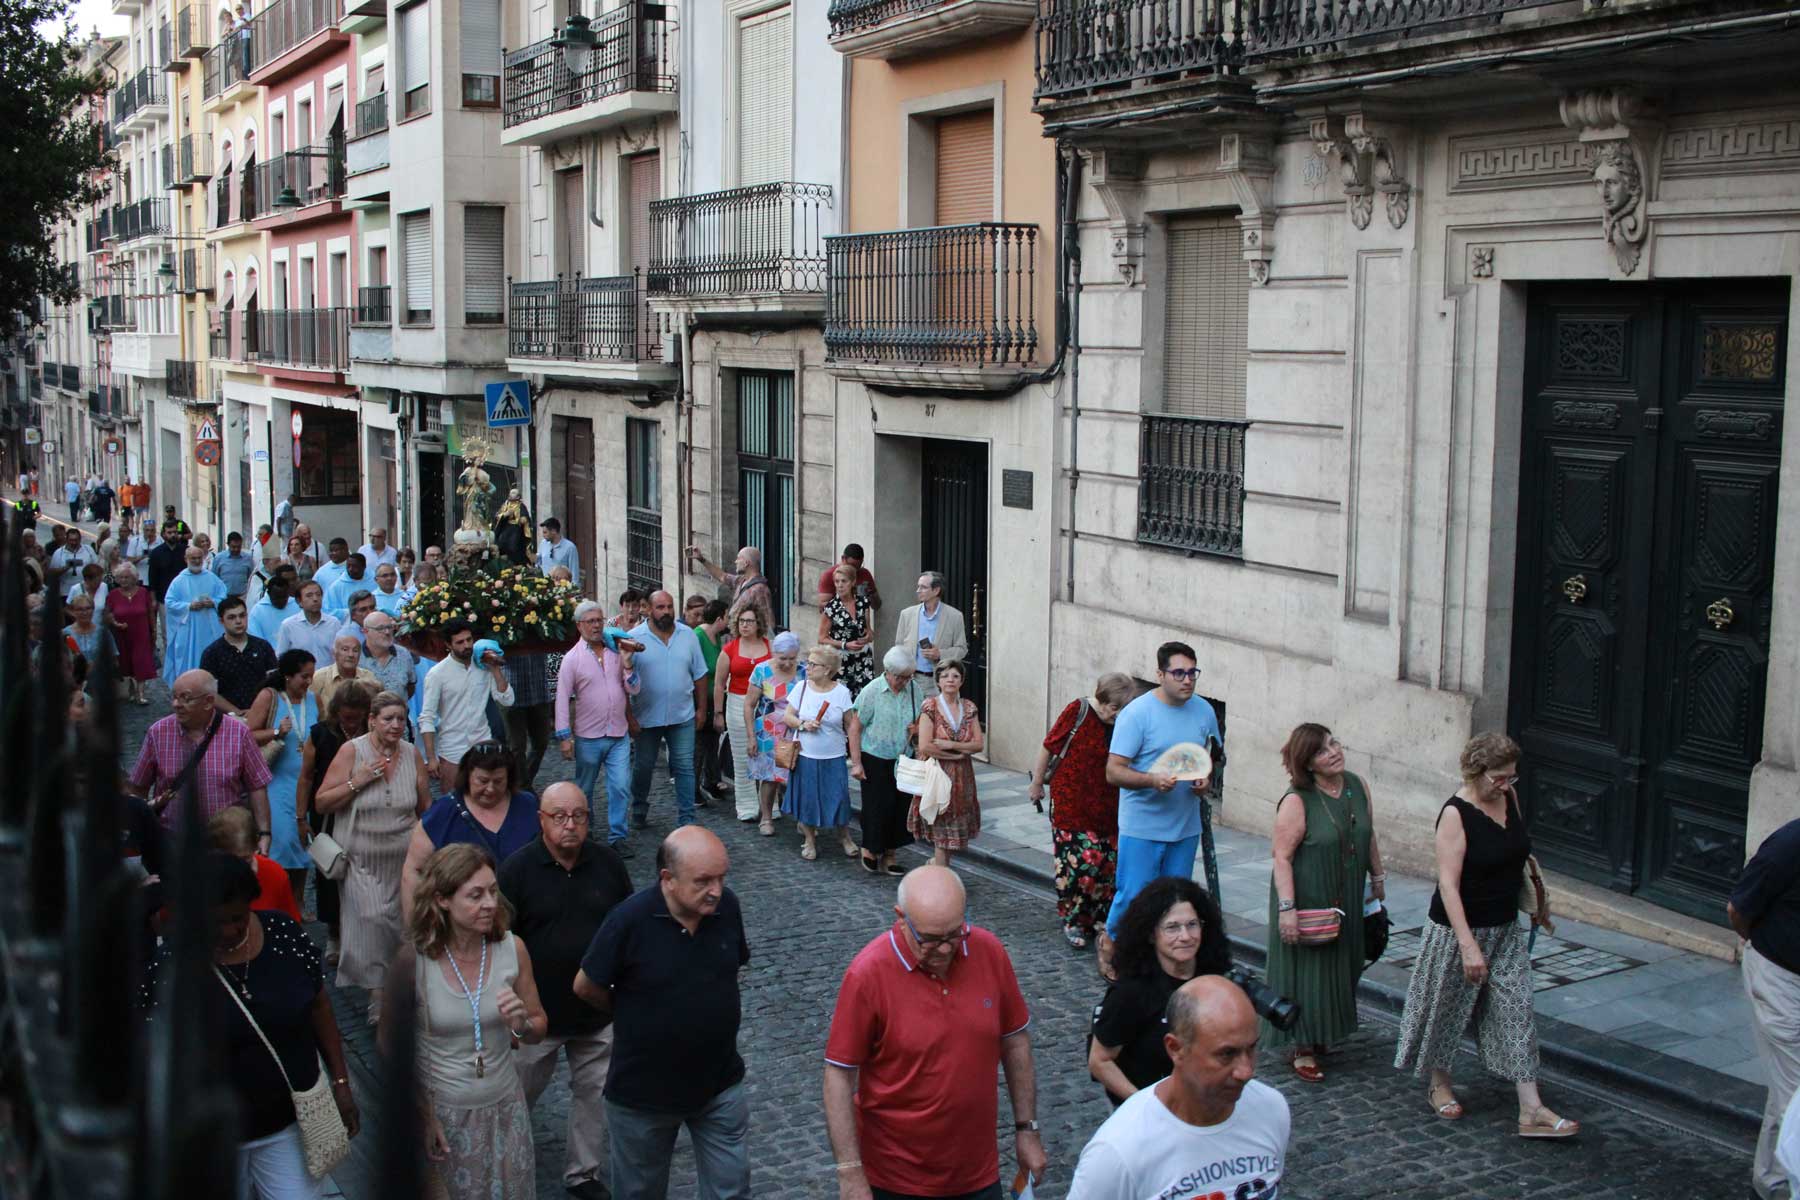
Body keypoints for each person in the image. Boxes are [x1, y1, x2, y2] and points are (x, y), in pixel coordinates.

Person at [137, 854, 359, 1200]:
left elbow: (319, 1004)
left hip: (289, 1121)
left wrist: (341, 1082)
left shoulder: (283, 934)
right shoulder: (173, 966)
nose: (229, 931)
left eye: (238, 918)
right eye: (216, 922)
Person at [1393, 732, 1577, 1138]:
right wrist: (1468, 946)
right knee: (1446, 1011)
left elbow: (1518, 852)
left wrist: (1535, 901)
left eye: (1512, 777)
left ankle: (1531, 1109)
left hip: (1505, 928)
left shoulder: (1509, 798)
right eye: (1499, 777)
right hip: (1457, 931)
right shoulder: (1455, 814)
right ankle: (1439, 1084)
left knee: (1517, 1010)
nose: (1506, 785)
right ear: (1475, 772)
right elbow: (1448, 885)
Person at [824, 864, 1045, 1200]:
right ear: (901, 918)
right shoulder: (867, 974)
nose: (944, 949)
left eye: (954, 934)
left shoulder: (989, 952)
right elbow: (839, 1076)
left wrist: (1027, 1129)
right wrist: (850, 1172)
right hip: (894, 1181)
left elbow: (1014, 1042)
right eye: (929, 939)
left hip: (977, 1176)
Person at [574, 827, 751, 1200]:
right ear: (667, 879)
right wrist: (634, 1013)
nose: (716, 890)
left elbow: (731, 968)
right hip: (643, 1096)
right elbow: (586, 985)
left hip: (719, 1086)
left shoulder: (727, 908)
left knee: (731, 1190)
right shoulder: (628, 921)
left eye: (721, 878)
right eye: (703, 881)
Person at [383, 844, 547, 1200]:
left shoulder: (512, 949)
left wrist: (521, 1024)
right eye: (475, 895)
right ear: (442, 900)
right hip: (445, 1117)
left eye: (493, 891)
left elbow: (537, 1027)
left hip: (506, 1109)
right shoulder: (414, 962)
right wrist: (424, 1117)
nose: (489, 903)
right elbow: (390, 1047)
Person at [498, 782, 633, 1200]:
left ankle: (583, 1173)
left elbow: (627, 929)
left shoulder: (608, 864)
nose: (570, 825)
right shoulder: (517, 871)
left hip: (596, 1011)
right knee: (515, 1095)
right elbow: (499, 942)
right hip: (536, 1014)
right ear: (541, 820)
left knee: (593, 1094)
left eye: (579, 816)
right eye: (559, 817)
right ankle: (502, 1162)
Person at [1068, 977, 1289, 1200]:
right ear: (1175, 1049)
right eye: (1226, 1054)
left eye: (1251, 1049)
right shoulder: (1116, 1153)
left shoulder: (1271, 1109)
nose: (1246, 1071)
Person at [1264, 723, 1386, 1081]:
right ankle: (1303, 1046)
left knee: (1343, 963)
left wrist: (1377, 876)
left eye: (1334, 744)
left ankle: (1322, 1032)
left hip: (1348, 890)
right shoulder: (1296, 800)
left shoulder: (1357, 785)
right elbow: (1281, 857)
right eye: (1321, 750)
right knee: (1310, 970)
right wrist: (1288, 910)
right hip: (1308, 894)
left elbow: (1368, 834)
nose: (1334, 752)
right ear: (1307, 763)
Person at [1101, 641, 1221, 971]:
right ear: (1160, 674)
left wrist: (1205, 780)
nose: (1187, 680)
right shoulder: (1137, 714)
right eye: (1179, 673)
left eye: (1192, 673)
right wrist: (1152, 780)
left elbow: (1208, 758)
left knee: (1176, 900)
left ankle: (1162, 960)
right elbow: (1113, 771)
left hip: (1184, 825)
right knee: (1133, 895)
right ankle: (1111, 944)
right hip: (1142, 824)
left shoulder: (1204, 711)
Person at [315, 689, 431, 1026]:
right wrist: (358, 781)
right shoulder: (351, 751)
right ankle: (377, 995)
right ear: (372, 721)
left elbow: (425, 806)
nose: (395, 725)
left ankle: (400, 988)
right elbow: (322, 802)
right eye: (388, 719)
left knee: (404, 925)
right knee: (373, 921)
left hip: (405, 859)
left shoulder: (411, 754)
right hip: (360, 859)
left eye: (400, 719)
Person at [1088, 877, 1232, 1104]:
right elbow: (1100, 1061)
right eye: (1172, 927)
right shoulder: (1131, 993)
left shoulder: (1214, 979)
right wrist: (1148, 1105)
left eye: (1192, 925)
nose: (1185, 936)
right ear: (1151, 934)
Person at [1029, 673, 1135, 949]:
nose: (1118, 714)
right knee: (1083, 863)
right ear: (1102, 699)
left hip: (1109, 806)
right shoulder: (1078, 710)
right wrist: (1037, 783)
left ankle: (1098, 918)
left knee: (1108, 866)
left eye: (1123, 709)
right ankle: (1073, 919)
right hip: (1071, 803)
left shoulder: (1124, 723)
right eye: (1114, 708)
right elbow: (1049, 746)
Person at [1732, 817, 1800, 1199]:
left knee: (1788, 1089)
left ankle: (1772, 1182)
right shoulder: (1790, 845)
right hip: (1780, 980)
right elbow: (1738, 910)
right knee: (1798, 1097)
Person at [403, 742, 541, 917]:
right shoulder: (443, 813)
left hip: (525, 915)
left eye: (498, 781)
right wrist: (416, 923)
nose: (490, 789)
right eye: (482, 781)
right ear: (468, 776)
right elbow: (413, 870)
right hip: (462, 921)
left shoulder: (527, 805)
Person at [296, 683, 374, 971]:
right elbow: (306, 777)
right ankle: (334, 933)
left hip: (365, 812)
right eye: (346, 717)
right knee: (329, 872)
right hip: (328, 813)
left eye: (356, 718)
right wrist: (301, 817)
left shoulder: (372, 733)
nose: (351, 723)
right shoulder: (320, 734)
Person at [557, 600, 641, 855]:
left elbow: (634, 688)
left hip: (618, 733)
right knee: (585, 788)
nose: (596, 626)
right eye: (591, 621)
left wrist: (628, 664)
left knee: (621, 786)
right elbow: (562, 698)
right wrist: (564, 736)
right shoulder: (572, 659)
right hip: (588, 736)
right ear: (579, 625)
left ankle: (618, 836)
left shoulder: (616, 651)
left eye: (599, 620)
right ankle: (586, 831)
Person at [627, 591, 708, 832]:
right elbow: (624, 678)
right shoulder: (634, 638)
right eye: (660, 607)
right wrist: (629, 717)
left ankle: (687, 817)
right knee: (644, 766)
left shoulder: (688, 636)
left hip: (682, 714)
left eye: (670, 607)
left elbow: (700, 674)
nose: (666, 612)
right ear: (649, 610)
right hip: (647, 717)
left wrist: (702, 709)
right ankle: (639, 808)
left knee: (684, 766)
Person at [247, 649, 321, 905]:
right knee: (283, 841)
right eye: (304, 676)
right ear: (288, 676)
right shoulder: (270, 697)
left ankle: (297, 902)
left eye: (311, 676)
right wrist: (276, 732)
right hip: (277, 783)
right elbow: (247, 735)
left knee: (302, 845)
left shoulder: (314, 699)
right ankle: (279, 899)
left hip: (306, 784)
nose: (308, 682)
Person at [782, 644, 862, 863]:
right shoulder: (801, 688)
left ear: (827, 669)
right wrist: (802, 724)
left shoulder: (841, 692)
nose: (807, 667)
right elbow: (787, 716)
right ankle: (809, 840)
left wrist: (856, 759)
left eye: (812, 664)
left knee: (839, 798)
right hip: (806, 756)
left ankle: (844, 836)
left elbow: (850, 725)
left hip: (834, 755)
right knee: (808, 799)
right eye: (807, 663)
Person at [850, 647, 923, 875]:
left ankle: (890, 854)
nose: (904, 682)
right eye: (900, 677)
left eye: (908, 677)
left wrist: (918, 729)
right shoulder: (872, 691)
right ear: (888, 672)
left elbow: (921, 720)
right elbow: (855, 728)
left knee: (900, 808)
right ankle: (870, 849)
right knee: (876, 807)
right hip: (875, 757)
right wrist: (856, 762)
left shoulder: (915, 690)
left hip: (904, 758)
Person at [419, 620, 515, 791]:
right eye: (460, 642)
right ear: (448, 645)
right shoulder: (437, 674)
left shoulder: (483, 665)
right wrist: (431, 758)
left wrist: (495, 669)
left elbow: (507, 700)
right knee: (454, 798)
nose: (467, 645)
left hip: (483, 742)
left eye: (469, 640)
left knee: (488, 794)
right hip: (452, 749)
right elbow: (427, 717)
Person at [907, 659, 983, 866]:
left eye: (955, 676)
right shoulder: (930, 706)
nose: (950, 680)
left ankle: (937, 865)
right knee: (941, 829)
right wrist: (956, 755)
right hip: (937, 775)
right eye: (945, 676)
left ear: (962, 681)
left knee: (952, 830)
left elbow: (978, 744)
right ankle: (941, 873)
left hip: (962, 778)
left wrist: (950, 745)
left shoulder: (969, 707)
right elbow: (925, 746)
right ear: (938, 681)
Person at [714, 606, 770, 824]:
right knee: (742, 756)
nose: (745, 625)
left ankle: (769, 805)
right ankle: (747, 806)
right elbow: (719, 685)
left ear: (759, 624)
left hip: (766, 705)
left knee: (767, 755)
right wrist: (718, 713)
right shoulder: (729, 650)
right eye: (741, 621)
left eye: (750, 621)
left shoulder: (770, 647)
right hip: (737, 704)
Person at [745, 630, 804, 837]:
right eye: (782, 658)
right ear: (774, 653)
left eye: (792, 659)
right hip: (768, 731)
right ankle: (766, 817)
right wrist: (751, 737)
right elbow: (749, 704)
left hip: (795, 731)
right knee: (769, 777)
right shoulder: (762, 671)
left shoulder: (804, 671)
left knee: (797, 776)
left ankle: (802, 819)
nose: (787, 663)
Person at [209, 805, 303, 924]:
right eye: (232, 860)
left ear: (255, 847)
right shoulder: (203, 882)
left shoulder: (275, 874)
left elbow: (292, 925)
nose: (240, 868)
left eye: (246, 860)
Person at [201, 594, 280, 715]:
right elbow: (209, 692)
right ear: (221, 621)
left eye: (242, 616)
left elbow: (275, 684)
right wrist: (237, 712)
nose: (238, 621)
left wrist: (258, 710)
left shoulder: (263, 647)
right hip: (227, 718)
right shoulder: (212, 653)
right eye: (231, 617)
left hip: (263, 713)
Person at [162, 544, 228, 687]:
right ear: (186, 559)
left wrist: (214, 602)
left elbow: (223, 596)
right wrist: (188, 606)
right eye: (193, 558)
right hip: (188, 630)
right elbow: (169, 603)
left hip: (209, 628)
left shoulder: (212, 578)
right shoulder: (179, 581)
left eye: (199, 558)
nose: (197, 561)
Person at [893, 571, 967, 695]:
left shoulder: (955, 616)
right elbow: (899, 647)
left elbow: (962, 649)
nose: (918, 590)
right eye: (918, 586)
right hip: (912, 681)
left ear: (936, 590)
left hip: (941, 683)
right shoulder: (907, 614)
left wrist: (940, 654)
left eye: (923, 587)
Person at [691, 599, 731, 802]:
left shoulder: (717, 637)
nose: (729, 620)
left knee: (713, 741)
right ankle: (692, 788)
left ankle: (711, 781)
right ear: (719, 619)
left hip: (715, 698)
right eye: (727, 616)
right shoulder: (697, 636)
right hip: (699, 699)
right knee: (699, 745)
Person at [685, 543, 773, 634]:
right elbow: (722, 576)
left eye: (738, 558)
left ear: (746, 563)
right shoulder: (741, 580)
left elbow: (768, 620)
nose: (735, 561)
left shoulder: (760, 589)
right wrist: (701, 559)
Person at [818, 563, 875, 696]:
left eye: (844, 581)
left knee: (865, 697)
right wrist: (845, 644)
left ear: (853, 582)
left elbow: (869, 631)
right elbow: (821, 638)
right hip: (841, 661)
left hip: (863, 659)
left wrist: (868, 637)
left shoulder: (863, 602)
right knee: (843, 698)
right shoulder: (831, 608)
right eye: (837, 581)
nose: (840, 585)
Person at [104, 560, 156, 704]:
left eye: (127, 577)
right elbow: (107, 614)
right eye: (121, 577)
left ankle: (141, 693)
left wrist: (153, 630)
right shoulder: (113, 594)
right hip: (122, 634)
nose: (123, 580)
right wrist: (115, 623)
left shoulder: (143, 592)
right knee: (126, 662)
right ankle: (132, 690)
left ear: (134, 578)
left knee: (141, 661)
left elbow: (150, 612)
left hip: (141, 632)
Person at [502, 652, 555, 791]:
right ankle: (522, 787)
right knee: (516, 747)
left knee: (541, 743)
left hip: (539, 691)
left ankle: (521, 781)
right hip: (512, 693)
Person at [276, 580, 343, 665]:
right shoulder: (288, 625)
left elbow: (341, 653)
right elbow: (281, 657)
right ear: (299, 601)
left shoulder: (334, 623)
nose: (315, 599)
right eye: (309, 595)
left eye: (318, 595)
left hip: (328, 673)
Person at [62, 591, 115, 693]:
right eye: (80, 609)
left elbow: (113, 658)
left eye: (88, 608)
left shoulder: (103, 632)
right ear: (73, 611)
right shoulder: (66, 634)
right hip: (74, 684)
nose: (85, 613)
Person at [309, 632, 379, 710]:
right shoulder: (319, 678)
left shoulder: (369, 677)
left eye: (355, 650)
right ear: (334, 653)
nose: (351, 655)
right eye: (345, 649)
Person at [359, 612, 416, 705]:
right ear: (365, 631)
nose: (387, 632)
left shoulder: (403, 654)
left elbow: (411, 686)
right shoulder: (356, 657)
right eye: (380, 628)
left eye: (389, 627)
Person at [814, 542, 882, 611]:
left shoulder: (865, 574)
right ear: (843, 559)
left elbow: (877, 606)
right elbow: (822, 607)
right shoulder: (829, 576)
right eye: (852, 565)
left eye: (858, 567)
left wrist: (871, 595)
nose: (854, 570)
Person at [250, 565, 300, 644]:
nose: (281, 601)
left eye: (284, 597)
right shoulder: (257, 611)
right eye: (277, 597)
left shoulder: (297, 605)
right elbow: (256, 638)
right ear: (269, 594)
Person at [49, 525, 96, 601]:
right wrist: (65, 568)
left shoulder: (88, 550)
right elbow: (52, 572)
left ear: (80, 539)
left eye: (76, 540)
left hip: (86, 591)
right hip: (66, 592)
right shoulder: (59, 553)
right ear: (67, 539)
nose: (74, 542)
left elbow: (97, 567)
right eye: (71, 540)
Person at [323, 552, 371, 619]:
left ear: (364, 566)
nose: (350, 569)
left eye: (354, 566)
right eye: (348, 566)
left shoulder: (373, 581)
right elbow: (328, 610)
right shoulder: (336, 587)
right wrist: (351, 612)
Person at [537, 517, 581, 588]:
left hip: (562, 589)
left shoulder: (570, 547)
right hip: (545, 588)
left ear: (554, 531)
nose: (543, 535)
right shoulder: (543, 544)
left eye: (545, 532)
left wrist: (574, 589)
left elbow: (574, 571)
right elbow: (538, 564)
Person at [215, 530, 257, 597]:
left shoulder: (248, 558)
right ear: (228, 544)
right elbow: (214, 578)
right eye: (233, 547)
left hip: (242, 597)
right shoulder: (219, 558)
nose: (236, 549)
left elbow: (251, 578)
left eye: (239, 547)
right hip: (224, 596)